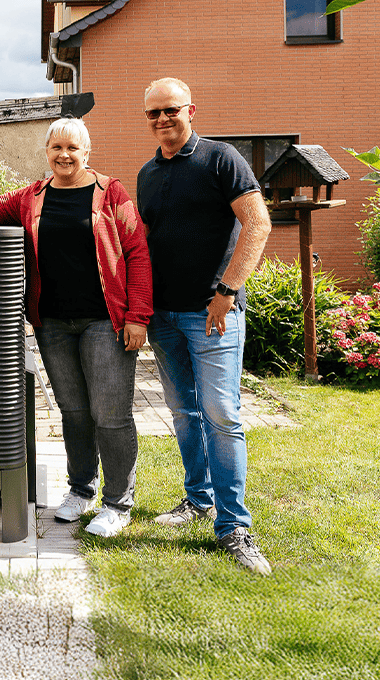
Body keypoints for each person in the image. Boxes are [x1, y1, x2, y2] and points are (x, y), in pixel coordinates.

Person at [0, 117, 152, 538]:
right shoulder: (32, 196)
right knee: (73, 413)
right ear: (47, 152)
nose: (64, 155)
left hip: (104, 321)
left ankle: (117, 504)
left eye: (73, 148)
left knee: (109, 414)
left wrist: (137, 316)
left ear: (87, 153)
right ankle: (80, 491)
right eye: (56, 148)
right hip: (53, 323)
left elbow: (138, 252)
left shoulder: (111, 193)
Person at [136, 77, 273, 575]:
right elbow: (145, 242)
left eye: (170, 110)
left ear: (190, 109)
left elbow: (257, 224)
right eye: (153, 113)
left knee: (221, 413)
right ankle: (198, 499)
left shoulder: (222, 158)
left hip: (212, 314)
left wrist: (228, 292)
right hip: (165, 316)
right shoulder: (148, 174)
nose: (162, 119)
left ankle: (235, 527)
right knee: (182, 411)